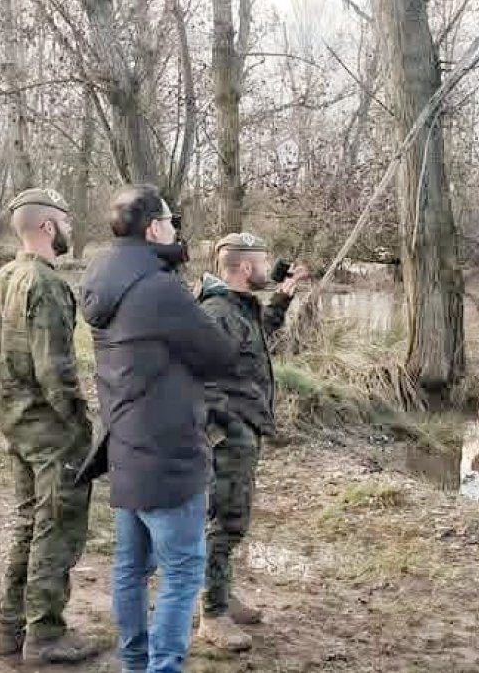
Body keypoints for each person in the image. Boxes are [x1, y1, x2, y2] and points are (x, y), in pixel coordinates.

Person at [76, 184, 236, 673]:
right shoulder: (159, 288)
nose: (176, 229)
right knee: (184, 572)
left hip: (125, 446)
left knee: (129, 569)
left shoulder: (100, 275)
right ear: (153, 228)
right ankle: (162, 668)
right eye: (171, 221)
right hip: (169, 456)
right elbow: (219, 357)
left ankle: (134, 663)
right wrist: (214, 300)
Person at [0, 188, 99, 665]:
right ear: (48, 226)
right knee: (56, 526)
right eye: (66, 221)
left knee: (29, 522)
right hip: (49, 430)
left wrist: (8, 406)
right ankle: (44, 634)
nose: (71, 229)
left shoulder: (1, 277)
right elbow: (56, 370)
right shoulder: (45, 283)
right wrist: (79, 424)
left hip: (16, 422)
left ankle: (9, 628)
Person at [194, 233, 309, 651]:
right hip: (229, 433)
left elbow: (258, 335)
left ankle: (219, 593)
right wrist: (225, 428)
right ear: (244, 268)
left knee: (231, 518)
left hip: (244, 427)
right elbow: (195, 377)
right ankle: (212, 613)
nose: (268, 266)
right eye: (263, 261)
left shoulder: (238, 308)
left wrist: (283, 298)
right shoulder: (216, 313)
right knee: (225, 520)